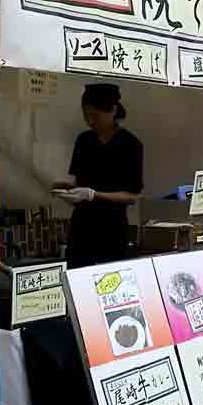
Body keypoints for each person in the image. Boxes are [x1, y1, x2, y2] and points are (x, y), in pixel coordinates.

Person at [55, 83, 144, 268]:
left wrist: (93, 195)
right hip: (81, 229)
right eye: (86, 115)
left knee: (108, 283)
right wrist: (69, 190)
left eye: (95, 116)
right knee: (78, 281)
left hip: (112, 230)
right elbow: (81, 185)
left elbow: (132, 196)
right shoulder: (84, 141)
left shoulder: (130, 144)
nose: (90, 121)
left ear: (112, 110)